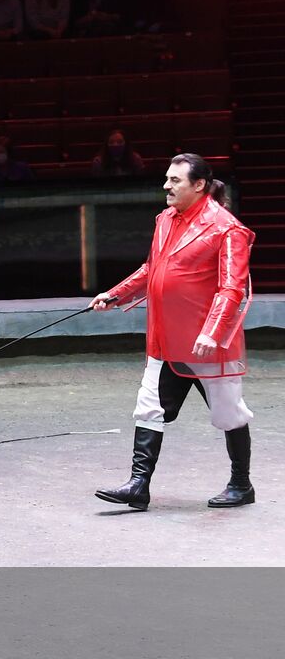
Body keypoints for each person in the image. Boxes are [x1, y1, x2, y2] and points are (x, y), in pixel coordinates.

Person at [90, 154, 255, 510]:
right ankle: (138, 485)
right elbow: (153, 268)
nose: (166, 185)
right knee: (148, 408)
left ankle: (241, 485)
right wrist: (116, 294)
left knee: (229, 414)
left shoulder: (226, 228)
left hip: (207, 344)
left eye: (175, 180)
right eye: (167, 178)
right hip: (166, 338)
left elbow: (232, 288)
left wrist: (212, 332)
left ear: (199, 185)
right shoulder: (165, 220)